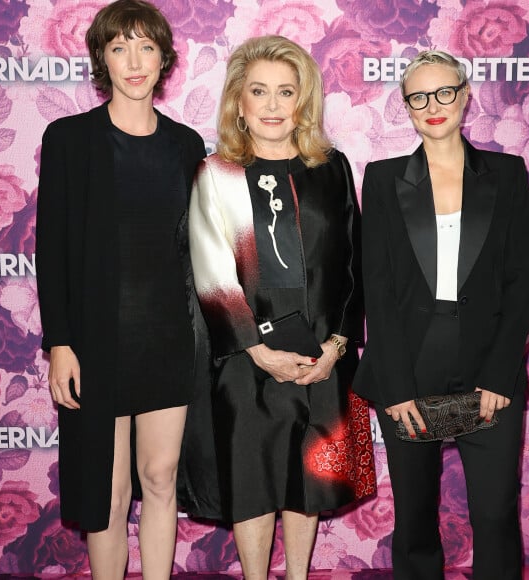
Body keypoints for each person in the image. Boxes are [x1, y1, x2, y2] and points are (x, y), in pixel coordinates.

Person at [186, 35, 376, 579]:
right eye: (259, 92)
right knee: (252, 480)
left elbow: (351, 263)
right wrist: (258, 350)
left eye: (285, 92)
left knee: (309, 480)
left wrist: (338, 344)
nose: (272, 105)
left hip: (322, 354)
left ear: (304, 101)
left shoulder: (332, 167)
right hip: (246, 361)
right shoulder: (215, 173)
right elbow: (211, 273)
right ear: (238, 104)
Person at [35, 1, 206, 578]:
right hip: (96, 346)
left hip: (169, 340)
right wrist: (60, 342)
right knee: (106, 496)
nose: (134, 61)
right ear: (102, 59)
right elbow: (52, 249)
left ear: (164, 58)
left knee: (160, 480)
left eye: (146, 47)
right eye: (119, 47)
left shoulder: (187, 146)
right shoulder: (69, 139)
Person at [353, 50, 529, 580]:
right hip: (410, 369)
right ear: (406, 106)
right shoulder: (384, 179)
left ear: (463, 95)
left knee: (496, 514)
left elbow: (519, 279)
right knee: (414, 522)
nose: (433, 106)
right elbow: (379, 291)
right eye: (419, 97)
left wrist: (502, 373)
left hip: (489, 370)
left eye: (444, 92)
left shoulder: (506, 173)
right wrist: (395, 386)